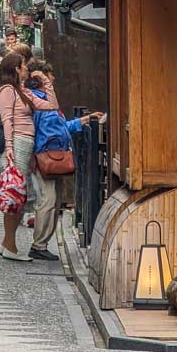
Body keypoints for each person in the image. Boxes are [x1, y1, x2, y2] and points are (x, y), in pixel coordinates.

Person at [27, 64, 104, 261]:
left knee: (53, 201)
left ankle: (42, 243)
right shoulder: (36, 101)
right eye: (50, 75)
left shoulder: (46, 100)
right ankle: (39, 244)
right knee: (48, 200)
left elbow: (60, 127)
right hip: (44, 156)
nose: (53, 78)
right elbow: (35, 130)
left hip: (53, 156)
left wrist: (84, 120)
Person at [0, 52, 60, 262]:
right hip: (17, 142)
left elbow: (51, 106)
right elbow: (6, 119)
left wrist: (46, 83)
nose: (27, 70)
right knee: (15, 194)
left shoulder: (21, 90)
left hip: (25, 143)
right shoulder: (7, 90)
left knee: (19, 195)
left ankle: (7, 243)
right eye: (24, 66)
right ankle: (10, 245)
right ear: (16, 69)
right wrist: (10, 146)